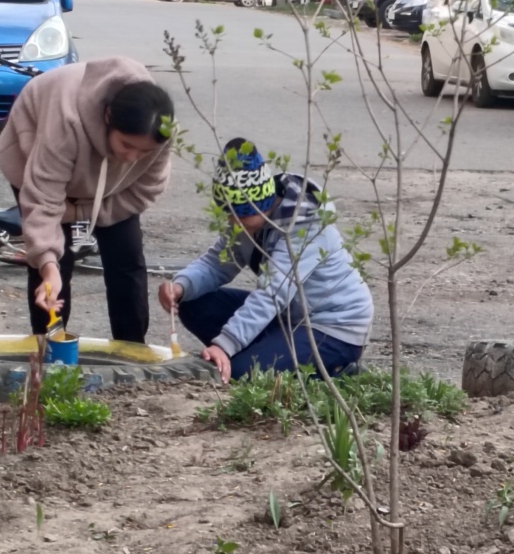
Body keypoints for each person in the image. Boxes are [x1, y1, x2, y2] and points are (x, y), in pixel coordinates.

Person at [157, 138, 373, 382]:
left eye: (239, 217)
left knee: (240, 373)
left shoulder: (305, 227)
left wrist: (225, 345)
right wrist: (181, 286)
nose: (233, 224)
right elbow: (217, 263)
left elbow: (272, 295)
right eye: (228, 216)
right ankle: (266, 353)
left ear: (260, 205)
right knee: (194, 303)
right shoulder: (244, 221)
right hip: (288, 317)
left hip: (333, 327)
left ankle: (338, 368)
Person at [0, 57, 174, 343]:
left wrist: (87, 211)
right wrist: (47, 265)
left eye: (143, 152)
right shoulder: (66, 120)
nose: (131, 157)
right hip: (36, 157)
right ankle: (50, 352)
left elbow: (146, 188)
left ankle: (132, 350)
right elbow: (43, 201)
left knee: (127, 260)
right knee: (54, 264)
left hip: (111, 193)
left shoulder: (160, 129)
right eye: (126, 145)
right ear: (106, 118)